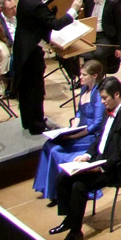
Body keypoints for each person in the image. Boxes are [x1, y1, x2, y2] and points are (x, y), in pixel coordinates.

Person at [49, 76, 121, 240]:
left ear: (116, 94)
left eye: (105, 98)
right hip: (98, 160)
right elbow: (99, 138)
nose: (102, 102)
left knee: (80, 186)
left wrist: (101, 166)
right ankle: (70, 219)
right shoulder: (109, 111)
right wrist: (87, 155)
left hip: (115, 168)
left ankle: (75, 233)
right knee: (63, 177)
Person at [33, 60, 106, 202]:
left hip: (89, 136)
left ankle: (61, 192)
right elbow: (79, 112)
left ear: (95, 75)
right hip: (78, 131)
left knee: (56, 150)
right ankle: (50, 188)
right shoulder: (85, 89)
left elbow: (96, 124)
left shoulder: (98, 95)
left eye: (84, 75)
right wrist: (74, 125)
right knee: (49, 144)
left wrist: (75, 135)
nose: (80, 77)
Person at [15, 0, 74, 134]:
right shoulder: (37, 6)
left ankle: (28, 121)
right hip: (32, 53)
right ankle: (37, 125)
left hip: (22, 48)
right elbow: (55, 25)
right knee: (36, 89)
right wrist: (73, 11)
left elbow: (43, 4)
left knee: (26, 89)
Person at [84, 0, 121, 74]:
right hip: (90, 35)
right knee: (75, 53)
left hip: (105, 36)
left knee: (98, 54)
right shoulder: (89, 3)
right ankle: (83, 77)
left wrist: (119, 47)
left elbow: (120, 27)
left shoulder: (114, 4)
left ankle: (99, 78)